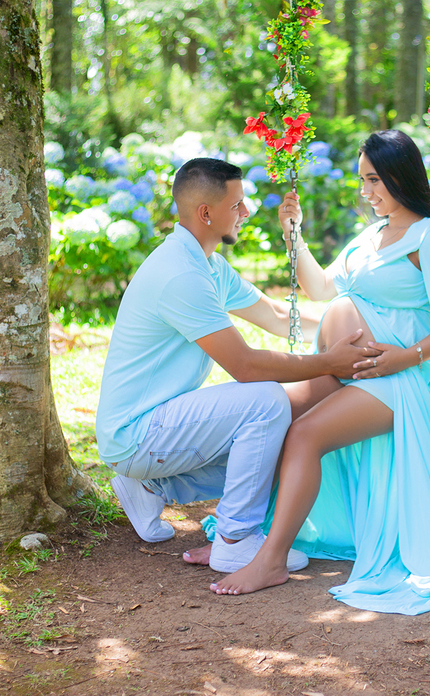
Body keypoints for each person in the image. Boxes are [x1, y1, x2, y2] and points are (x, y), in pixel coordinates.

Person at [207, 129, 430, 615]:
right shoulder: (371, 237)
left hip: (395, 382)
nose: (366, 191)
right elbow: (322, 288)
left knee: (304, 436)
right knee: (272, 414)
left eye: (373, 180)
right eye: (362, 180)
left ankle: (271, 560)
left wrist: (405, 357)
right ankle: (239, 538)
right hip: (352, 373)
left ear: (399, 176)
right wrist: (293, 234)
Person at [95, 157, 377, 575]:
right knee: (265, 403)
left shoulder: (207, 264)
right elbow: (245, 366)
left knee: (276, 430)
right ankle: (235, 539)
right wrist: (329, 361)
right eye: (238, 205)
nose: (246, 213)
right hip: (136, 432)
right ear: (206, 213)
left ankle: (152, 489)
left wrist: (359, 324)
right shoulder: (181, 275)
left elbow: (280, 318)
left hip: (154, 426)